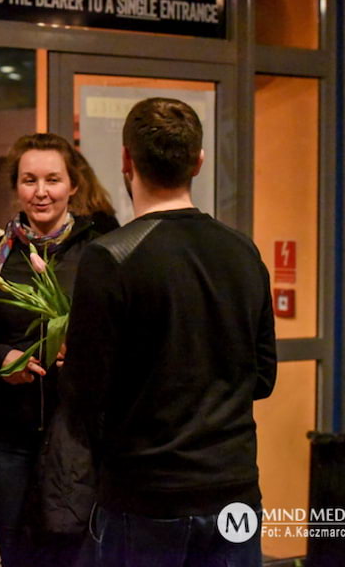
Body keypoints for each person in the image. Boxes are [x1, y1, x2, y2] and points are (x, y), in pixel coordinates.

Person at [61, 97, 277, 566]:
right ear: (199, 161)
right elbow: (263, 378)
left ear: (125, 159)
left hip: (145, 493)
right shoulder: (244, 252)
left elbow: (83, 394)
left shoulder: (111, 257)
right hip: (234, 489)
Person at [0, 133, 118, 567]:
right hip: (9, 439)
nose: (41, 192)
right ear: (16, 186)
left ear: (73, 186)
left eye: (52, 179)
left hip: (81, 439)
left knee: (78, 558)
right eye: (29, 180)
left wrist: (86, 354)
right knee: (18, 557)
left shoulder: (102, 252)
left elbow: (132, 338)